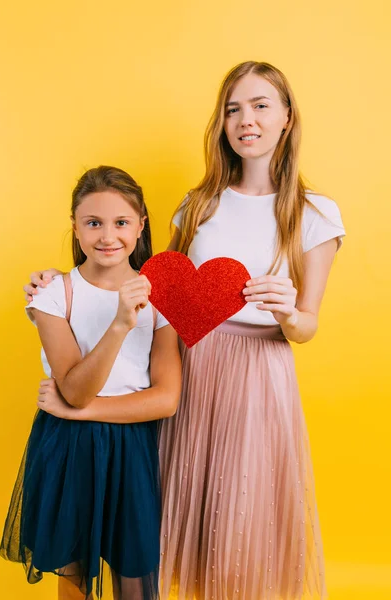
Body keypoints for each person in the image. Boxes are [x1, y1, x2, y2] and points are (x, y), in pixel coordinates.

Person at [23, 61, 346, 600]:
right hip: (190, 364)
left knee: (243, 518)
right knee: (175, 515)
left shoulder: (314, 213)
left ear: (287, 117)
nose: (247, 119)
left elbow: (308, 325)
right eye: (233, 108)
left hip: (256, 373)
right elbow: (145, 279)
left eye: (261, 105)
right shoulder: (198, 206)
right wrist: (62, 281)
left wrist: (290, 313)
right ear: (221, 122)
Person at [1, 165, 181, 600]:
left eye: (121, 222)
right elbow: (76, 387)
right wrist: (120, 324)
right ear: (76, 228)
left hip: (134, 446)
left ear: (141, 226)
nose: (107, 236)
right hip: (68, 447)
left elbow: (166, 399)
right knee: (74, 574)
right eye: (93, 223)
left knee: (134, 575)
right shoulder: (52, 296)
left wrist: (75, 407)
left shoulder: (160, 302)